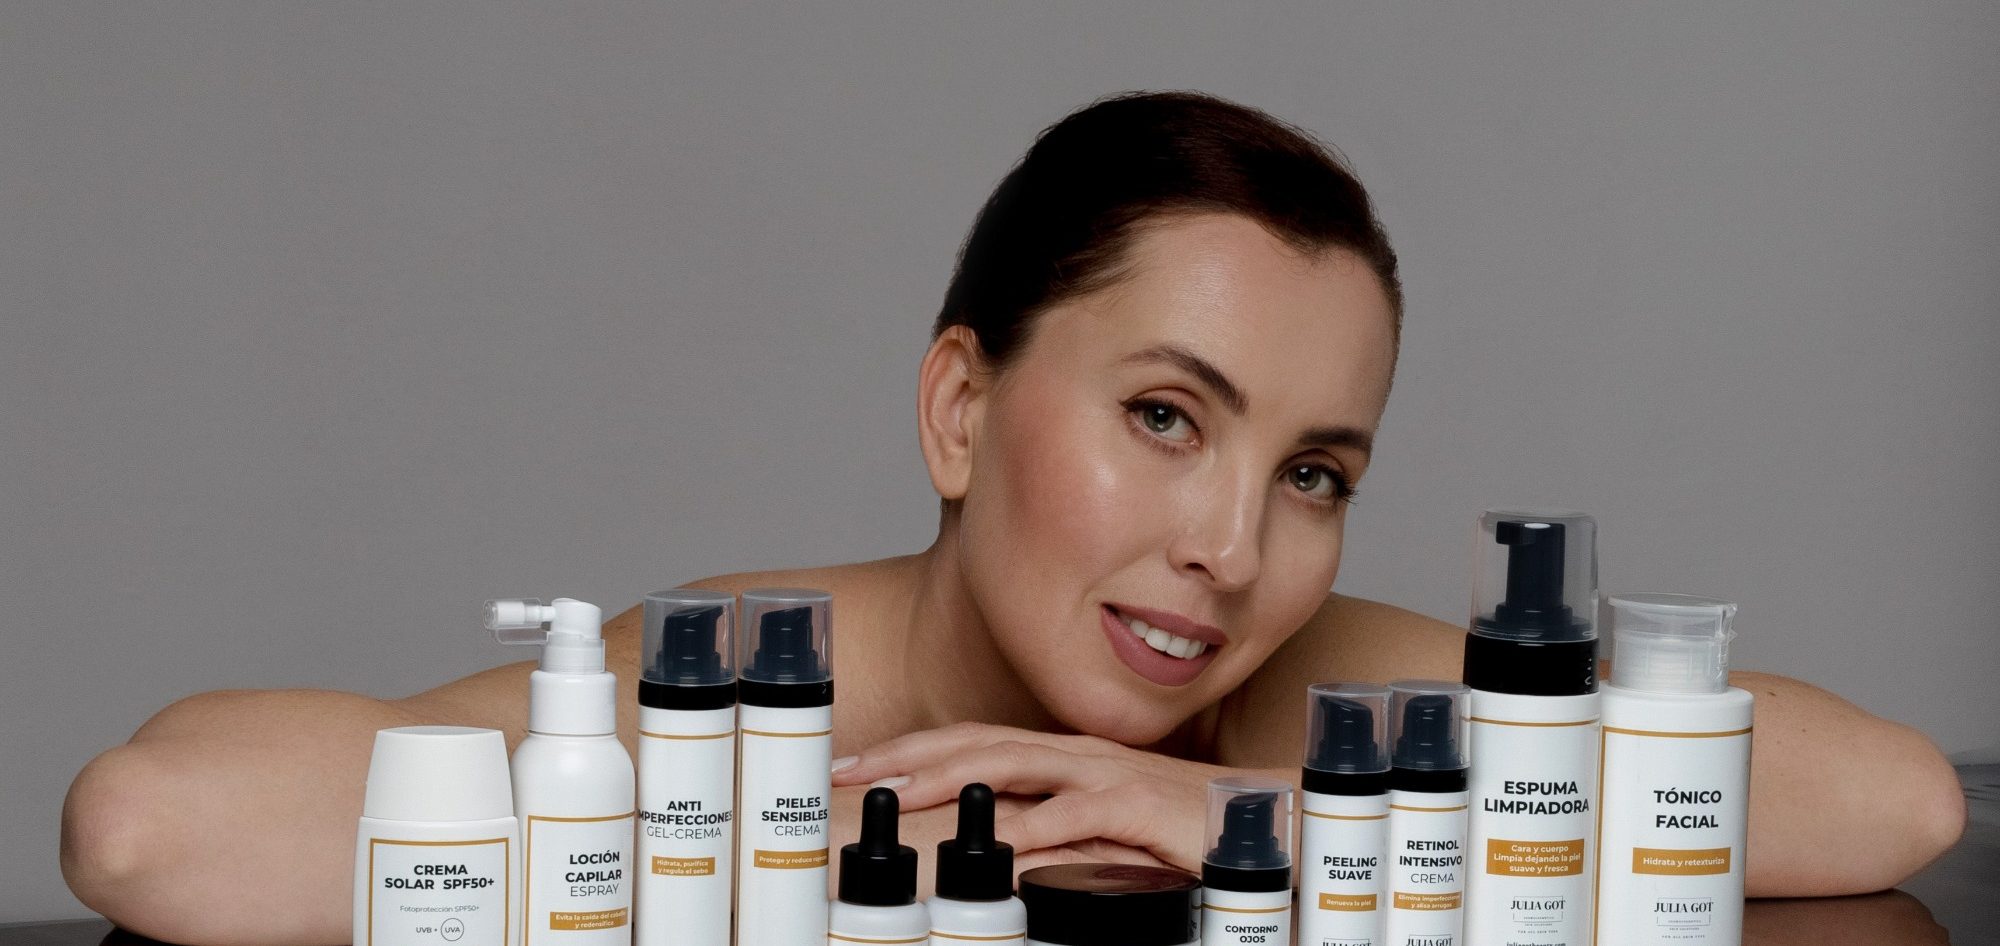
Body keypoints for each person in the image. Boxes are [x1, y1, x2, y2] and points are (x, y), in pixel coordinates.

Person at [60, 91, 1964, 946]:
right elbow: (157, 828)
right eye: (1165, 416)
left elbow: (1891, 804)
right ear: (960, 409)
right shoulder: (755, 677)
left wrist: (1245, 818)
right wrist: (764, 838)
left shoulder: (1321, 687)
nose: (1236, 548)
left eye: (1315, 472)